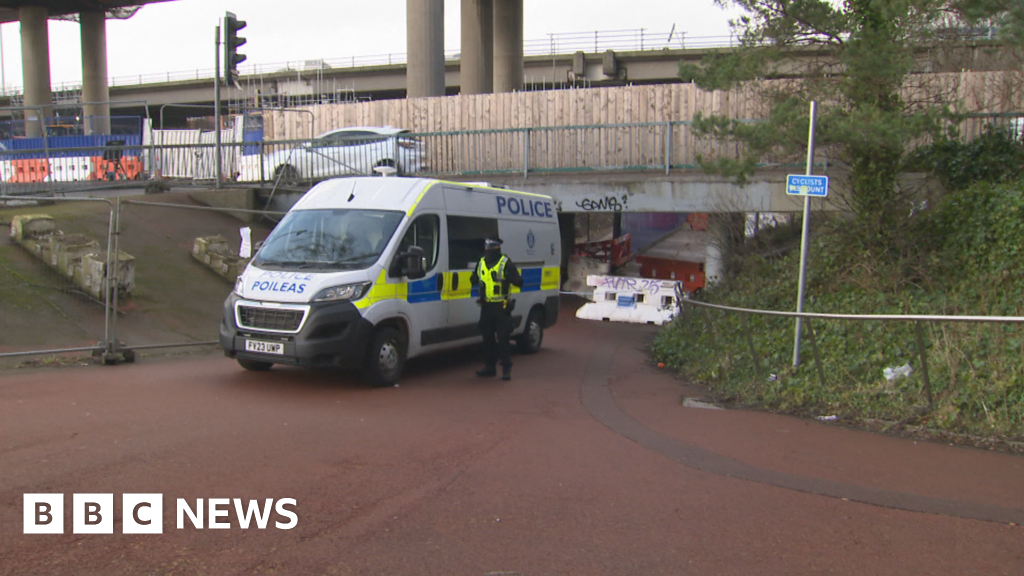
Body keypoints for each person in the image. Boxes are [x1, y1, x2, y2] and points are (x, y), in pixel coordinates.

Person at [471, 237, 523, 381]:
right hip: (486, 307)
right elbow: (474, 279)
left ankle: (506, 370)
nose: (488, 252)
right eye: (486, 249)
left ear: (497, 249)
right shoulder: (481, 263)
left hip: (502, 307)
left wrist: (508, 277)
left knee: (503, 339)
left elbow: (519, 281)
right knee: (487, 339)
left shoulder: (505, 263)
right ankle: (489, 367)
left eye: (490, 249)